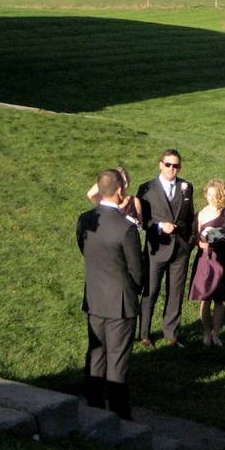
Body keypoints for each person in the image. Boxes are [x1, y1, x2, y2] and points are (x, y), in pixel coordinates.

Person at [77, 170, 143, 420]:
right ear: (120, 191)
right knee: (117, 359)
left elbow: (83, 248)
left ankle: (93, 404)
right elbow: (136, 270)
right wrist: (134, 288)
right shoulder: (125, 229)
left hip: (94, 297)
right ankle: (119, 411)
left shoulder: (85, 220)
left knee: (96, 353)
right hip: (120, 303)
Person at [137, 149, 195, 347]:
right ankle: (144, 333)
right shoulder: (146, 189)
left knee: (176, 292)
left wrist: (190, 242)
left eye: (176, 165)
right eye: (168, 164)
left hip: (180, 249)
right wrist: (161, 226)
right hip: (157, 249)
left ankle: (171, 334)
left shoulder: (187, 187)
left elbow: (190, 217)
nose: (172, 169)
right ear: (160, 164)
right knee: (150, 291)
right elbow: (142, 222)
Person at [189, 180, 225, 347]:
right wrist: (200, 244)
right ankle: (206, 333)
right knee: (205, 298)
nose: (213, 198)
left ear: (221, 195)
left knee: (219, 299)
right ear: (206, 194)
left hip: (221, 260)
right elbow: (194, 237)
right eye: (210, 194)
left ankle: (216, 334)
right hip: (205, 260)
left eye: (216, 195)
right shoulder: (200, 214)